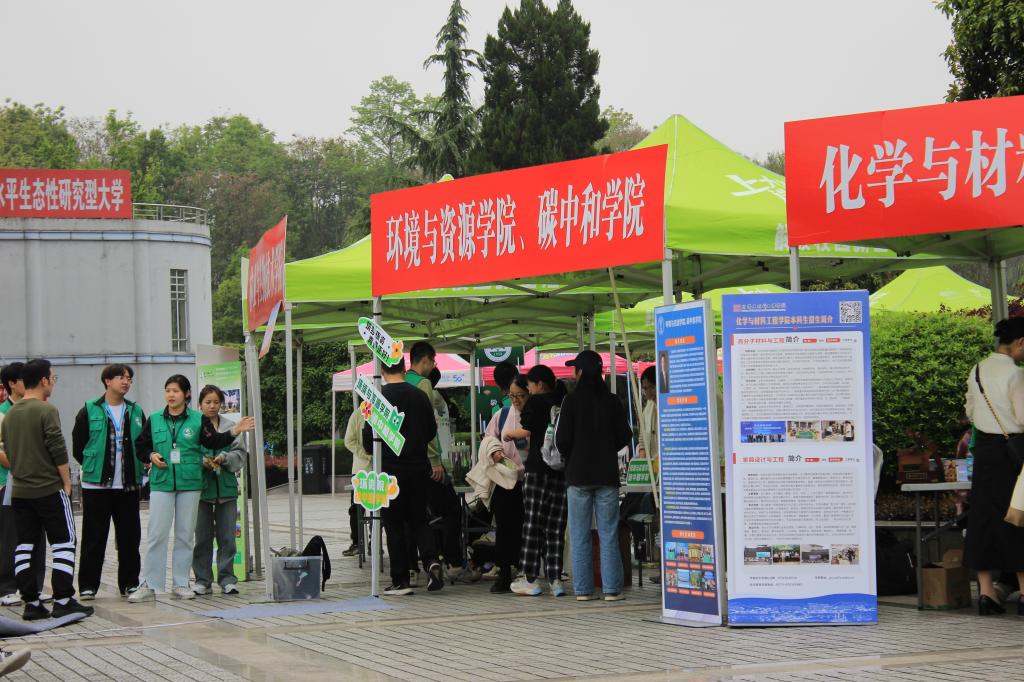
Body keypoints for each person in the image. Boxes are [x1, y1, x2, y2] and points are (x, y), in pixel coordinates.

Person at [129, 375, 253, 603]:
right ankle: (149, 584)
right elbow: (140, 446)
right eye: (168, 390)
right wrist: (150, 455)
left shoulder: (198, 419)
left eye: (175, 391)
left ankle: (180, 583)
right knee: (156, 534)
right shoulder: (154, 419)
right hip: (162, 483)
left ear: (186, 394)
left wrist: (235, 430)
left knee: (185, 536)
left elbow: (214, 441)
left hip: (191, 485)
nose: (171, 395)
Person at [0, 359, 92, 620]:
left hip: (19, 490)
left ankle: (31, 602)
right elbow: (57, 447)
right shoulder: (46, 409)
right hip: (48, 488)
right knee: (64, 541)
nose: (53, 382)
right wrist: (66, 482)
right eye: (52, 378)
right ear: (43, 380)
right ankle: (63, 599)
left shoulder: (10, 414)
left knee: (25, 545)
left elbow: (8, 451)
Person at [362, 358, 443, 595]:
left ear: (382, 370)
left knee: (394, 524)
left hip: (390, 471)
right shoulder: (420, 395)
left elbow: (368, 441)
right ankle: (431, 560)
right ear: (404, 367)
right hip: (419, 467)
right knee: (420, 520)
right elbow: (431, 431)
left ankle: (401, 580)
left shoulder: (378, 398)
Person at [557, 351, 632, 601]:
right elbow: (625, 436)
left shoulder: (570, 401)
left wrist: (574, 454)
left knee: (579, 535)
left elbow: (561, 440)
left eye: (574, 370)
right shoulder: (612, 401)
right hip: (607, 474)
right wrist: (606, 448)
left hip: (578, 475)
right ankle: (612, 589)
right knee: (608, 533)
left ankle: (583, 590)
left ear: (580, 372)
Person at [964, 317, 1024, 616]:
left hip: (984, 452)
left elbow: (970, 411)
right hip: (1012, 451)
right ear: (1020, 342)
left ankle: (987, 595)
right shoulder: (1016, 374)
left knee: (983, 520)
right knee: (1016, 516)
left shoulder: (977, 369)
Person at [71, 364, 146, 599]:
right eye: (120, 377)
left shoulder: (135, 411)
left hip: (128, 485)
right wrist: (95, 465)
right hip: (96, 486)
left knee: (129, 537)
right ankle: (88, 586)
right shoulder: (89, 409)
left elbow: (143, 443)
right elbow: (78, 446)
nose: (126, 382)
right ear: (107, 381)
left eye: (129, 378)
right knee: (94, 538)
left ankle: (130, 583)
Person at [505, 365, 568, 597]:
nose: (529, 390)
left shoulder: (536, 402)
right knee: (555, 526)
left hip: (537, 469)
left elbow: (526, 430)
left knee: (533, 523)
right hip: (560, 471)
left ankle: (530, 578)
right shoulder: (564, 401)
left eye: (530, 386)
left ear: (539, 384)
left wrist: (508, 434)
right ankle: (555, 579)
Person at [192, 385, 247, 596]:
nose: (212, 406)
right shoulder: (194, 426)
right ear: (200, 404)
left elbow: (240, 455)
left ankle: (227, 579)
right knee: (202, 538)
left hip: (226, 489)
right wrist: (203, 462)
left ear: (222, 404)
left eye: (216, 402)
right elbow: (189, 454)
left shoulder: (231, 426)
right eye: (208, 402)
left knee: (227, 538)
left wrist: (224, 458)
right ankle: (202, 580)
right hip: (201, 491)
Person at [0, 363, 46, 607]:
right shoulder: (2, 413)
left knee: (36, 534)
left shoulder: (38, 409)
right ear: (11, 384)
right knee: (10, 536)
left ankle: (35, 586)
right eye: (22, 379)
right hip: (8, 482)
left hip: (37, 482)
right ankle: (8, 587)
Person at [483, 374, 527, 593]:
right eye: (512, 395)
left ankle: (524, 569)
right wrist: (495, 451)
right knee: (504, 527)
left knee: (524, 527)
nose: (516, 400)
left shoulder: (535, 415)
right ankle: (504, 571)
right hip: (504, 479)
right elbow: (488, 439)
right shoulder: (502, 414)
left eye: (521, 395)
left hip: (528, 480)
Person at [342, 408, 371, 557]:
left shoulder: (361, 411)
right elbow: (349, 440)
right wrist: (366, 455)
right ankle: (360, 543)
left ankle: (367, 543)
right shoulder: (360, 412)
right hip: (364, 470)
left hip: (369, 470)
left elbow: (349, 440)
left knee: (359, 509)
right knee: (358, 510)